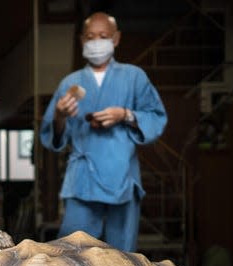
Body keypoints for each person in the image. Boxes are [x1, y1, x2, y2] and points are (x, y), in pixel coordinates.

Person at [40, 12, 167, 252]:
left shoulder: (134, 77)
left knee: (123, 258)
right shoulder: (70, 83)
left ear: (116, 39)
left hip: (122, 176)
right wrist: (59, 115)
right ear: (81, 41)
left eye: (103, 36)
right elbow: (53, 136)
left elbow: (156, 116)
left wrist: (125, 115)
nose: (96, 42)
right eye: (90, 37)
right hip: (82, 179)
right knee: (72, 254)